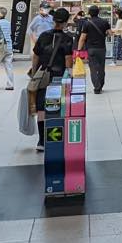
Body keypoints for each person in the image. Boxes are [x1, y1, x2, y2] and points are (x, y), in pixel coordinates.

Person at [31, 8, 74, 149]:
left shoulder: (43, 36)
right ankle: (55, 139)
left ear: (53, 20)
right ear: (66, 22)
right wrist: (69, 77)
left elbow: (36, 56)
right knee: (55, 106)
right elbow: (68, 60)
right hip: (58, 78)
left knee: (41, 108)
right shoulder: (67, 39)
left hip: (43, 77)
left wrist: (34, 74)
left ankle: (41, 141)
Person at [76, 5, 111, 94]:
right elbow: (110, 33)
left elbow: (82, 38)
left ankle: (97, 87)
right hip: (102, 48)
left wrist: (78, 50)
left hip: (91, 49)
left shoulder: (87, 23)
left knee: (93, 69)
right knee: (101, 68)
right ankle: (101, 85)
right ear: (98, 12)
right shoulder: (105, 22)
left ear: (89, 13)